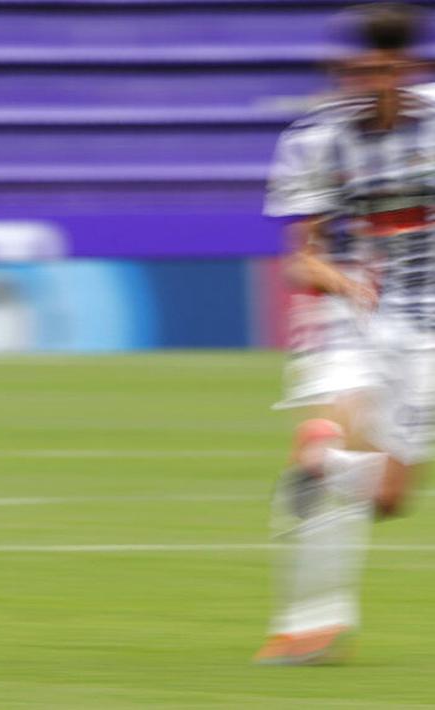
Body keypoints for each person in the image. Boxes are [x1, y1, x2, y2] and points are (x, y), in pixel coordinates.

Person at [256, 2, 435, 665]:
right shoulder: (312, 141)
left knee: (386, 497)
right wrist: (338, 280)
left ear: (407, 70)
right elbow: (298, 256)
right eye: (356, 74)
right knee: (339, 418)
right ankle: (309, 623)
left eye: (383, 72)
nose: (367, 86)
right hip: (353, 313)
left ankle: (323, 461)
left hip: (426, 323)